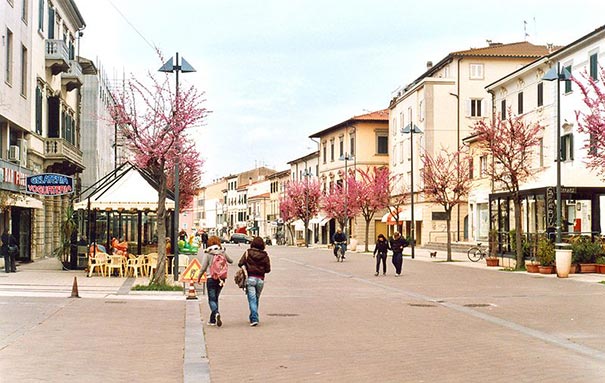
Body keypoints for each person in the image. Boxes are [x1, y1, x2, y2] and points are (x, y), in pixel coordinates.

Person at [198, 236, 233, 327]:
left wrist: (199, 278)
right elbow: (230, 261)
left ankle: (216, 313)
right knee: (216, 298)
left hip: (211, 278)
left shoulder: (208, 253)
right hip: (221, 278)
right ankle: (212, 320)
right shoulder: (222, 252)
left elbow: (203, 268)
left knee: (211, 299)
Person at [238, 236, 271, 327]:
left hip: (250, 278)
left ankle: (254, 318)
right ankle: (253, 316)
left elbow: (240, 263)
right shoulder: (265, 255)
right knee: (256, 299)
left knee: (252, 299)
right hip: (260, 279)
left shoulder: (248, 253)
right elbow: (268, 269)